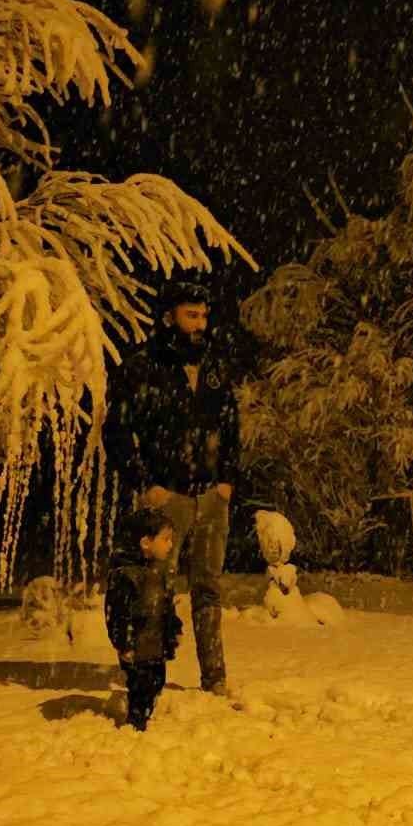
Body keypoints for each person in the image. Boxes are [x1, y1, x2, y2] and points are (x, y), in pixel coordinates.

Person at [103, 279, 239, 695]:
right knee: (154, 588)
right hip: (168, 499)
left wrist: (228, 481)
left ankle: (214, 678)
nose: (200, 324)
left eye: (203, 316)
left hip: (212, 497)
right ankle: (148, 678)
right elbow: (117, 432)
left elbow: (231, 425)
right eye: (191, 315)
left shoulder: (215, 367)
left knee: (208, 589)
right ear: (168, 317)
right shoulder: (143, 367)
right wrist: (147, 486)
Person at [103, 508, 183, 731]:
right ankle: (136, 725)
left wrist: (173, 629)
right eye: (165, 539)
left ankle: (143, 717)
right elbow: (116, 613)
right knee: (141, 686)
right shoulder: (125, 575)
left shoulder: (158, 573)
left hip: (155, 644)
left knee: (156, 682)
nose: (170, 545)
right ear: (146, 543)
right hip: (136, 646)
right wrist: (124, 643)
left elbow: (165, 607)